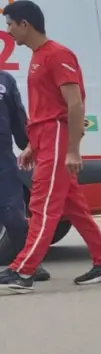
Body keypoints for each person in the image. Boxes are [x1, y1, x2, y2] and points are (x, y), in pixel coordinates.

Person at [0, 0, 101, 292]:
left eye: (10, 25)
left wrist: (73, 150)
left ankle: (23, 271)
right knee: (73, 207)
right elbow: (44, 108)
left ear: (25, 24)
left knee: (41, 205)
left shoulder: (57, 54)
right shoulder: (37, 57)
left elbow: (74, 104)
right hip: (45, 138)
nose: (8, 32)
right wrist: (32, 146)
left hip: (57, 137)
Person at [0, 69, 49, 282]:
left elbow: (18, 117)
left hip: (3, 159)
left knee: (13, 212)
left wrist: (30, 146)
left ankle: (29, 265)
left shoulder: (5, 80)